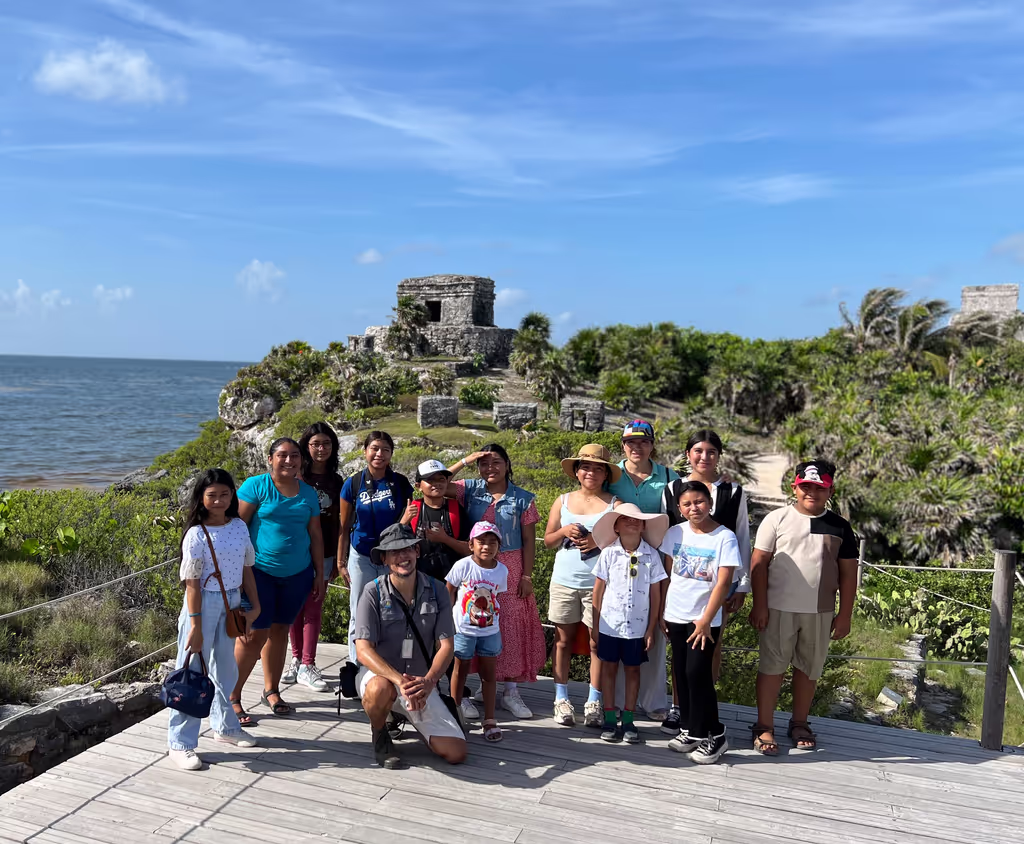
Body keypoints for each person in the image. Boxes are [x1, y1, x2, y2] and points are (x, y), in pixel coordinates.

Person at [749, 460, 858, 755]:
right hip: (778, 609)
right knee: (772, 668)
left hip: (820, 612)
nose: (812, 492)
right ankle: (764, 725)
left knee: (808, 670)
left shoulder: (840, 527)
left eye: (819, 488)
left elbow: (849, 574)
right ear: (795, 488)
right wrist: (760, 605)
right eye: (806, 486)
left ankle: (799, 722)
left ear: (830, 490)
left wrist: (844, 615)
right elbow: (758, 566)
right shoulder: (776, 519)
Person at [168, 469, 262, 770]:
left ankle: (226, 727)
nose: (219, 500)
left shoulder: (238, 527)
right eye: (212, 495)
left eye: (224, 494)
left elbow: (247, 568)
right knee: (191, 672)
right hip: (203, 605)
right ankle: (180, 743)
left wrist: (255, 605)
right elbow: (192, 584)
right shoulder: (196, 534)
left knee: (226, 668)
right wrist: (195, 625)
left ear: (232, 496)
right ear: (202, 498)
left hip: (232, 601)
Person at [354, 523, 467, 769]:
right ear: (384, 558)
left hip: (421, 680)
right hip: (382, 677)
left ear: (417, 551)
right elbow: (363, 650)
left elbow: (447, 645)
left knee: (456, 752)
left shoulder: (437, 590)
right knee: (380, 690)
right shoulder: (372, 592)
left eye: (407, 548)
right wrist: (401, 682)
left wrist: (428, 682)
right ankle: (380, 732)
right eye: (394, 552)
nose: (402, 556)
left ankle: (403, 714)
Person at [660, 429, 751, 735]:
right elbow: (667, 533)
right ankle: (679, 709)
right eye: (698, 450)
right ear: (688, 454)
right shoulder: (672, 488)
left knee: (708, 647)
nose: (704, 456)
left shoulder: (733, 492)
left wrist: (742, 584)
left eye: (711, 451)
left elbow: (741, 537)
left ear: (718, 456)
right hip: (681, 586)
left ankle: (702, 713)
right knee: (681, 654)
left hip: (717, 584)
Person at [447, 444, 545, 719]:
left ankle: (511, 691)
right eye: (484, 463)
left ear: (507, 464)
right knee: (474, 620)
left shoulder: (523, 498)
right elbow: (435, 485)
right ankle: (480, 686)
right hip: (476, 565)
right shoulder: (471, 489)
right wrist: (466, 459)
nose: (490, 468)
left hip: (511, 566)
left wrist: (526, 575)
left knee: (509, 625)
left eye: (496, 462)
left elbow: (528, 540)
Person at [231, 438, 323, 724]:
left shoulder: (308, 493)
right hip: (258, 573)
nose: (288, 460)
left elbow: (316, 536)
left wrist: (320, 574)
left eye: (294, 455)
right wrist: (234, 573)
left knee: (280, 631)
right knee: (253, 635)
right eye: (282, 455)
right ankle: (232, 696)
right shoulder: (256, 486)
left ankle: (271, 691)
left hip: (297, 575)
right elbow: (237, 527)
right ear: (270, 459)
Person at [658, 481, 741, 764]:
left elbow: (724, 581)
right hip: (675, 614)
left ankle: (716, 735)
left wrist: (706, 619)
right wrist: (662, 612)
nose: (694, 508)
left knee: (698, 674)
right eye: (687, 504)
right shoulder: (674, 533)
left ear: (710, 503)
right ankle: (691, 731)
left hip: (703, 619)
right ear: (679, 509)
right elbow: (670, 575)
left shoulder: (724, 537)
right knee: (681, 673)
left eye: (699, 501)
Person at [543, 443, 621, 728]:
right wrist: (564, 530)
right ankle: (560, 698)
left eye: (598, 468)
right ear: (576, 471)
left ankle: (594, 700)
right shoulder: (562, 501)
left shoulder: (615, 505)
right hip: (564, 580)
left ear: (606, 474)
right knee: (562, 641)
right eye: (585, 466)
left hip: (599, 585)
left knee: (596, 643)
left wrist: (599, 541)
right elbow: (549, 540)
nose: (591, 472)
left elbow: (628, 539)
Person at [606, 419, 678, 721]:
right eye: (631, 442)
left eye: (644, 441)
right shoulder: (612, 476)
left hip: (657, 565)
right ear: (623, 445)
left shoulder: (669, 477)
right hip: (617, 563)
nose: (637, 447)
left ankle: (653, 701)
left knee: (654, 631)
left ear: (652, 444)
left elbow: (679, 519)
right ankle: (619, 703)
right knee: (617, 627)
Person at [590, 503, 668, 744]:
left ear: (644, 525)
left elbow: (656, 594)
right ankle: (611, 717)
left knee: (634, 671)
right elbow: (598, 591)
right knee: (609, 669)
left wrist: (650, 628)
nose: (632, 522)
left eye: (637, 519)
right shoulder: (608, 553)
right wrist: (595, 625)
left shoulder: (652, 555)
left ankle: (630, 719)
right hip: (609, 624)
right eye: (625, 519)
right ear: (616, 526)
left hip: (637, 627)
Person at [338, 431, 413, 665]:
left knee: (393, 612)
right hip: (361, 556)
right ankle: (357, 667)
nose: (379, 454)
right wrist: (341, 562)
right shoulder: (353, 483)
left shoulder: (399, 483)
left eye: (385, 450)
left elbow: (411, 516)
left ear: (391, 454)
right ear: (365, 451)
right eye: (375, 448)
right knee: (359, 611)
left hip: (392, 557)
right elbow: (344, 526)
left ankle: (389, 664)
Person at [283, 422, 344, 692]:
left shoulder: (337, 480)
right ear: (306, 447)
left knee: (313, 607)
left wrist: (339, 560)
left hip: (326, 552)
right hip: (296, 552)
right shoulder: (297, 477)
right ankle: (295, 659)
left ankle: (308, 663)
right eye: (316, 444)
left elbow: (342, 522)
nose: (321, 449)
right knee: (293, 608)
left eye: (327, 444)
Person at [445, 521, 508, 742]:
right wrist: (445, 623)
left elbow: (496, 596)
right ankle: (454, 712)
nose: (486, 547)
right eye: (481, 541)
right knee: (459, 671)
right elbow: (449, 592)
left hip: (490, 631)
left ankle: (489, 719)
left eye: (492, 542)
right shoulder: (462, 565)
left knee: (489, 675)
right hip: (462, 629)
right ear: (471, 544)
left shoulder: (502, 571)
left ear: (499, 546)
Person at [401, 459, 471, 582]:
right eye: (430, 480)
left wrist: (445, 539)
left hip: (452, 581)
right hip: (418, 580)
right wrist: (404, 521)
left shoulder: (456, 510)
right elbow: (393, 545)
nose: (437, 484)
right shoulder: (411, 511)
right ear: (418, 486)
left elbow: (470, 550)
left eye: (441, 479)